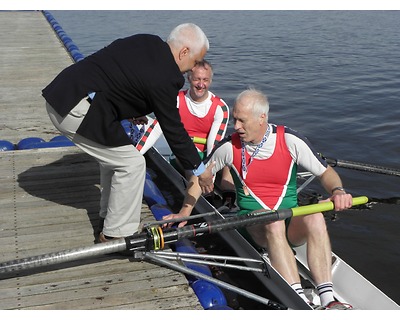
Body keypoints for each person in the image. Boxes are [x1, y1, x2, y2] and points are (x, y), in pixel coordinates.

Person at [163, 88, 354, 310]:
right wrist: (185, 211)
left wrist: (338, 191)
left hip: (289, 222)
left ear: (262, 118)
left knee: (315, 215)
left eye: (242, 121)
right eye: (235, 119)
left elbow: (326, 173)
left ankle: (328, 298)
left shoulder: (290, 140)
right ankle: (299, 299)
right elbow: (198, 179)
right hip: (253, 226)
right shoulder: (229, 146)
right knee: (273, 221)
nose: (236, 126)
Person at [42, 23, 214, 243]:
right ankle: (117, 234)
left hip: (64, 92)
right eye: (194, 62)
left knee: (117, 156)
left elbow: (119, 78)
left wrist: (128, 111)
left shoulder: (147, 41)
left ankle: (110, 218)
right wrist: (200, 170)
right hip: (73, 108)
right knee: (132, 164)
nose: (192, 68)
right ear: (183, 52)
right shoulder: (166, 75)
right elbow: (174, 130)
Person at [135, 59, 236, 207]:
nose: (201, 84)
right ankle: (204, 196)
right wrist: (135, 156)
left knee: (228, 159)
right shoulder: (175, 100)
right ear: (189, 78)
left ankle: (228, 195)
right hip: (184, 153)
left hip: (207, 152)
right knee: (191, 163)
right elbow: (156, 128)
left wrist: (208, 178)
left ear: (210, 81)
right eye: (197, 79)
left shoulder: (220, 108)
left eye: (205, 80)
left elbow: (213, 149)